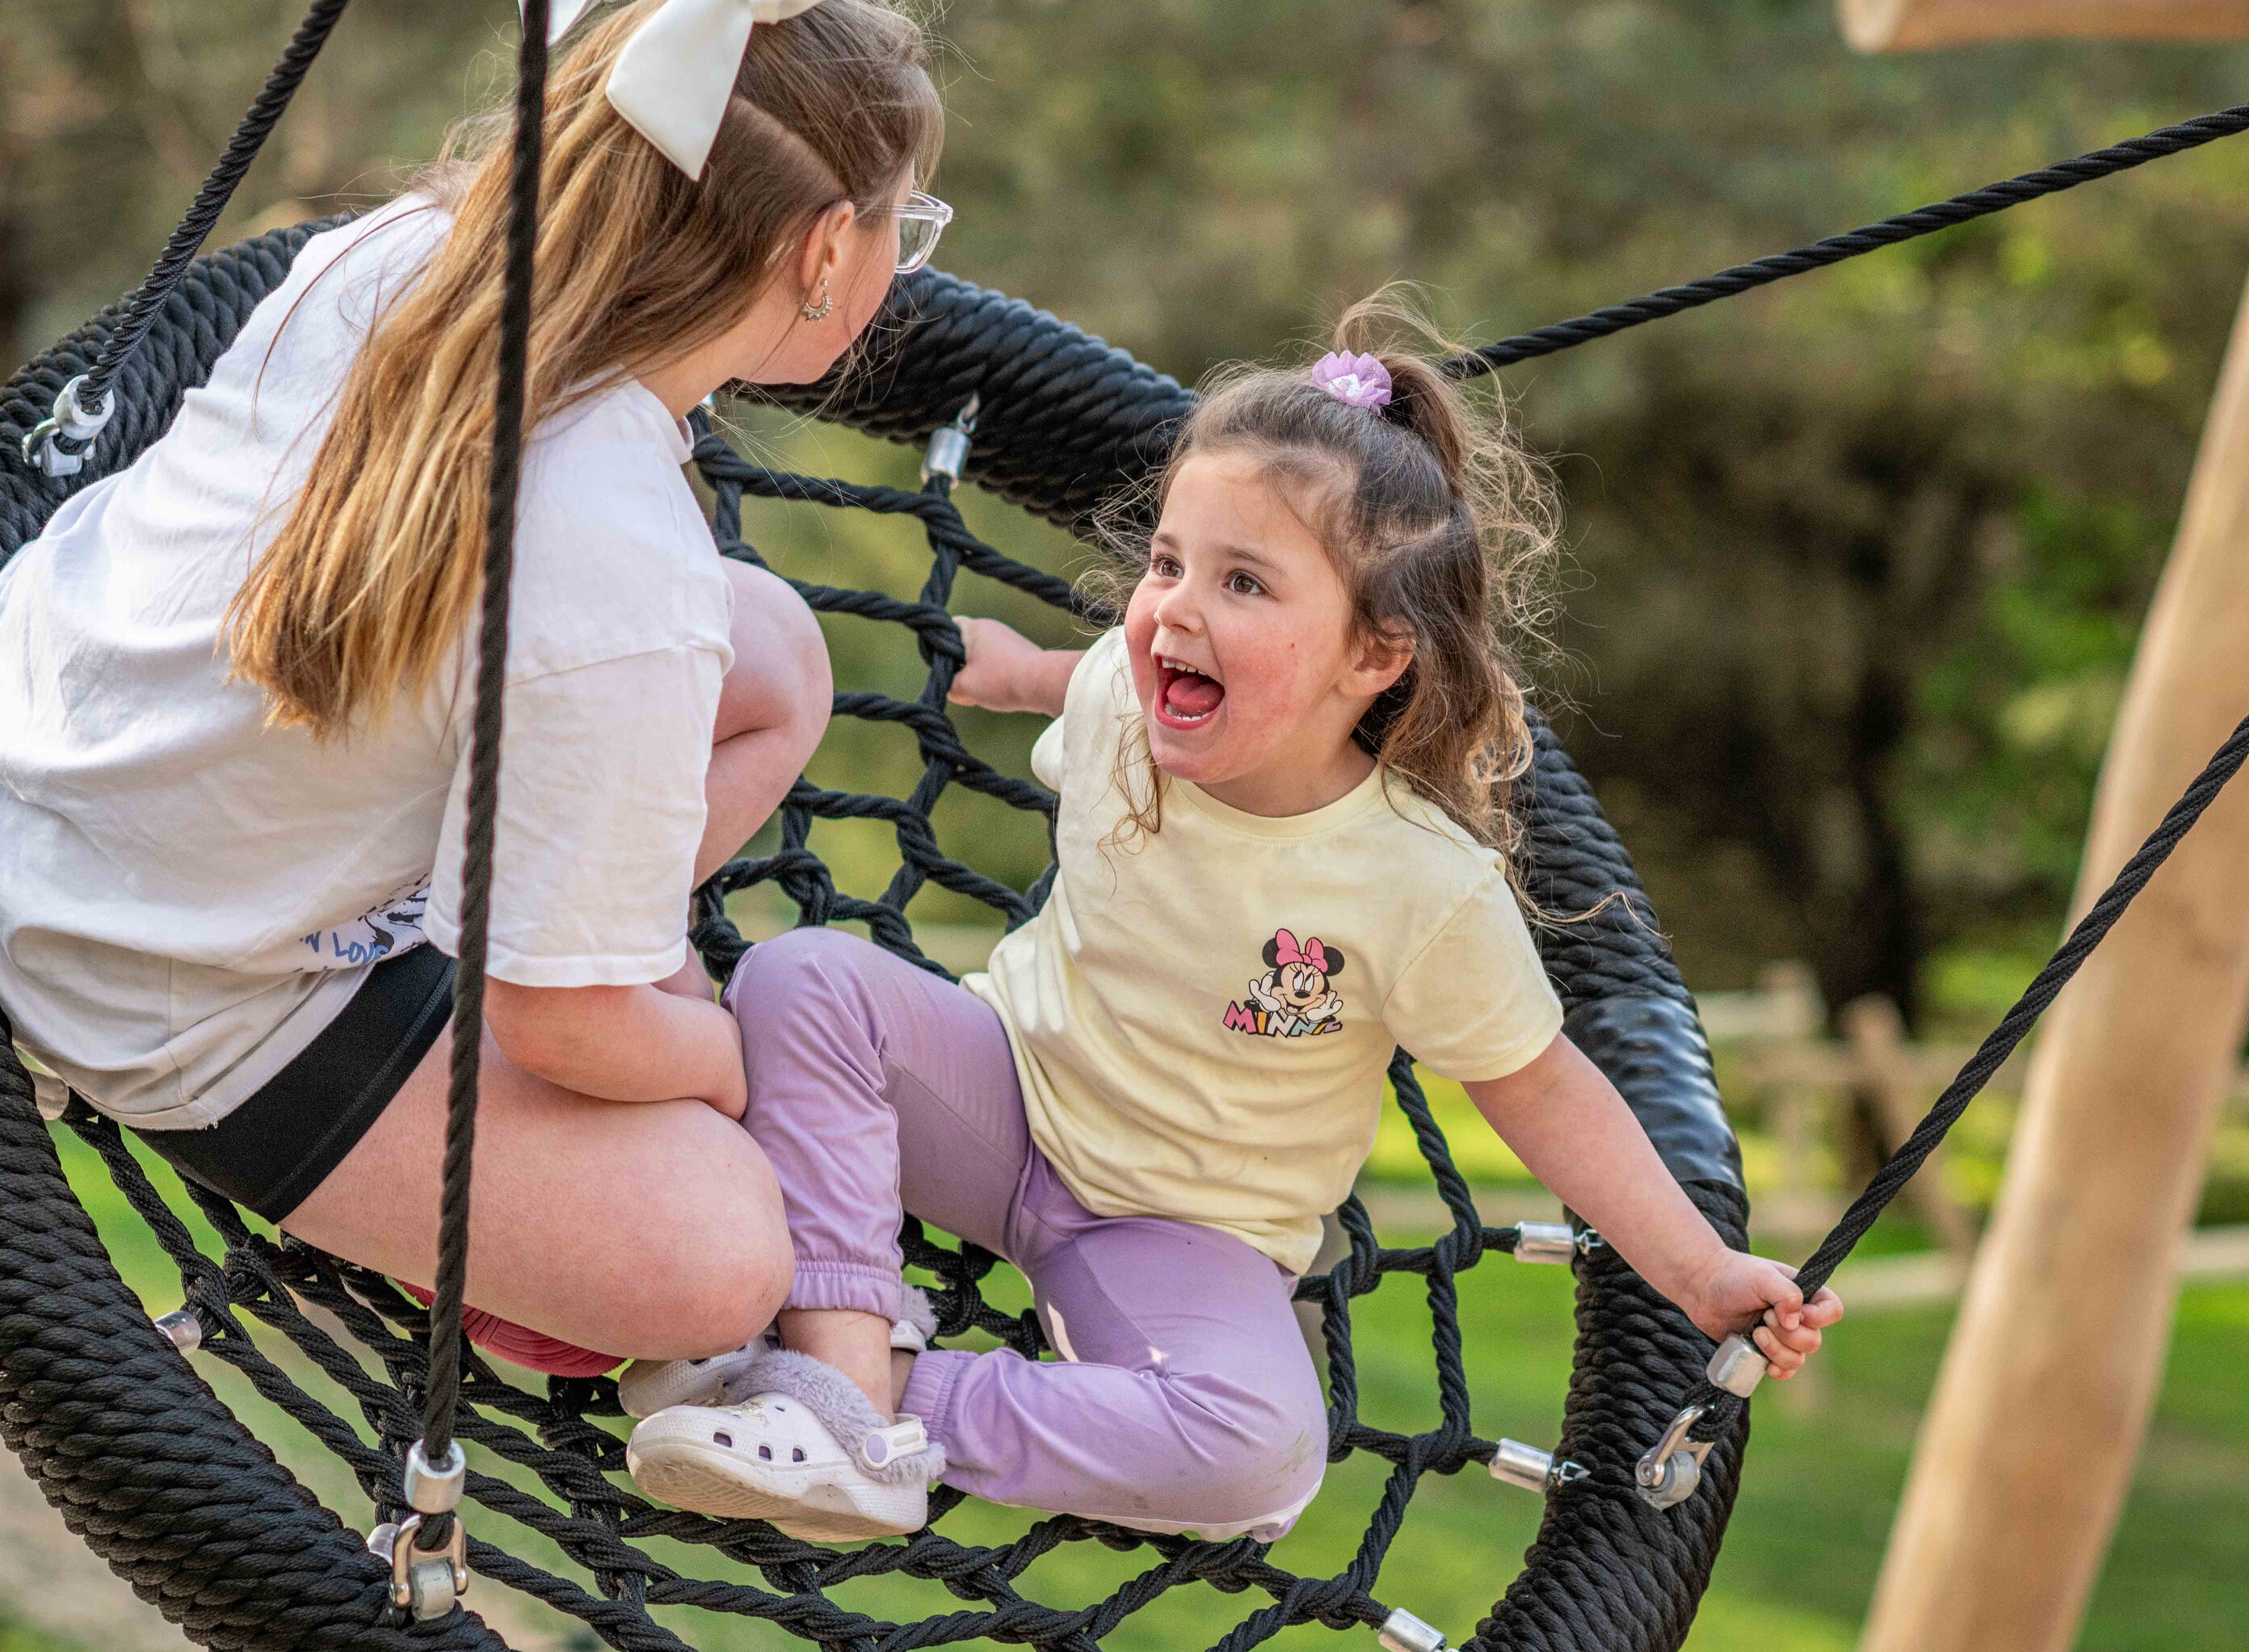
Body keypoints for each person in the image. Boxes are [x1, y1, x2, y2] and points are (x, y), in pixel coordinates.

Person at [618, 303, 1845, 1541]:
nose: (1172, 610)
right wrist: (1014, 670)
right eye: (1166, 564)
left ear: (1373, 655)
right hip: (1002, 1096)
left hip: (1184, 1225)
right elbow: (1096, 668)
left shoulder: (1415, 883)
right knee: (799, 978)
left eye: (1242, 581)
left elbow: (1541, 1087)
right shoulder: (1123, 703)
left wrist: (1701, 1273)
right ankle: (834, 1383)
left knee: (1258, 1457)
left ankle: (891, 1405)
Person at [0, 0, 949, 1368]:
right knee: (717, 1257)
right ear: (823, 251)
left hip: (44, 737)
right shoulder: (618, 566)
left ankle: (506, 985)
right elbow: (557, 1024)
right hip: (161, 974)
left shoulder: (413, 245)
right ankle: (443, 1188)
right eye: (915, 221)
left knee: (771, 656)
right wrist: (762, 1070)